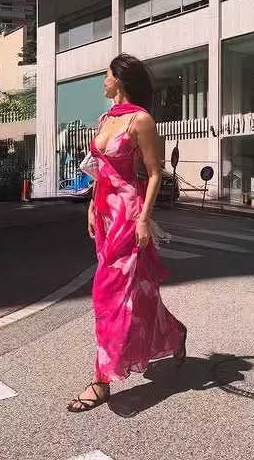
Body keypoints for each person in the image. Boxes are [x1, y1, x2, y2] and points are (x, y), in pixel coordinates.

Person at [67, 54, 187, 413]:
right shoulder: (107, 119)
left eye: (106, 76)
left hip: (128, 214)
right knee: (138, 292)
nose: (103, 82)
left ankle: (101, 379)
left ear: (119, 79)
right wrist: (92, 204)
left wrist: (143, 219)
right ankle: (175, 333)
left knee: (106, 293)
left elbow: (155, 173)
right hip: (105, 213)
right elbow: (100, 168)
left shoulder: (141, 120)